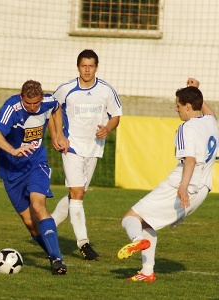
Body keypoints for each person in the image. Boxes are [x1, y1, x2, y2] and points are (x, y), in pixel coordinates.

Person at [117, 78, 219, 282]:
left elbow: (189, 159)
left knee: (130, 217)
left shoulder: (187, 128)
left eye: (178, 105)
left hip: (183, 186)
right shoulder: (211, 122)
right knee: (148, 224)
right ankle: (147, 273)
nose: (176, 109)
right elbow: (210, 113)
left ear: (188, 107)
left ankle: (137, 241)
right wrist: (196, 91)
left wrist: (182, 187)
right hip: (202, 190)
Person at [0, 80, 69, 275]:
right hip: (11, 170)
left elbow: (57, 108)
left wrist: (59, 134)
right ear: (22, 97)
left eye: (36, 103)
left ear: (41, 98)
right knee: (31, 225)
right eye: (28, 103)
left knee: (38, 205)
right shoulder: (12, 107)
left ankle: (57, 259)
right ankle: (52, 253)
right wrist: (13, 150)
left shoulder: (49, 101)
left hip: (36, 163)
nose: (33, 108)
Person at [49, 49, 122, 260]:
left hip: (94, 148)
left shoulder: (107, 90)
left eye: (91, 66)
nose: (87, 69)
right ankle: (84, 244)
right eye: (84, 65)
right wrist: (57, 135)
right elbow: (51, 111)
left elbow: (116, 115)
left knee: (77, 194)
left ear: (96, 67)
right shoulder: (66, 89)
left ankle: (47, 227)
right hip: (71, 147)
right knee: (78, 193)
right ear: (78, 67)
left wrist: (107, 128)